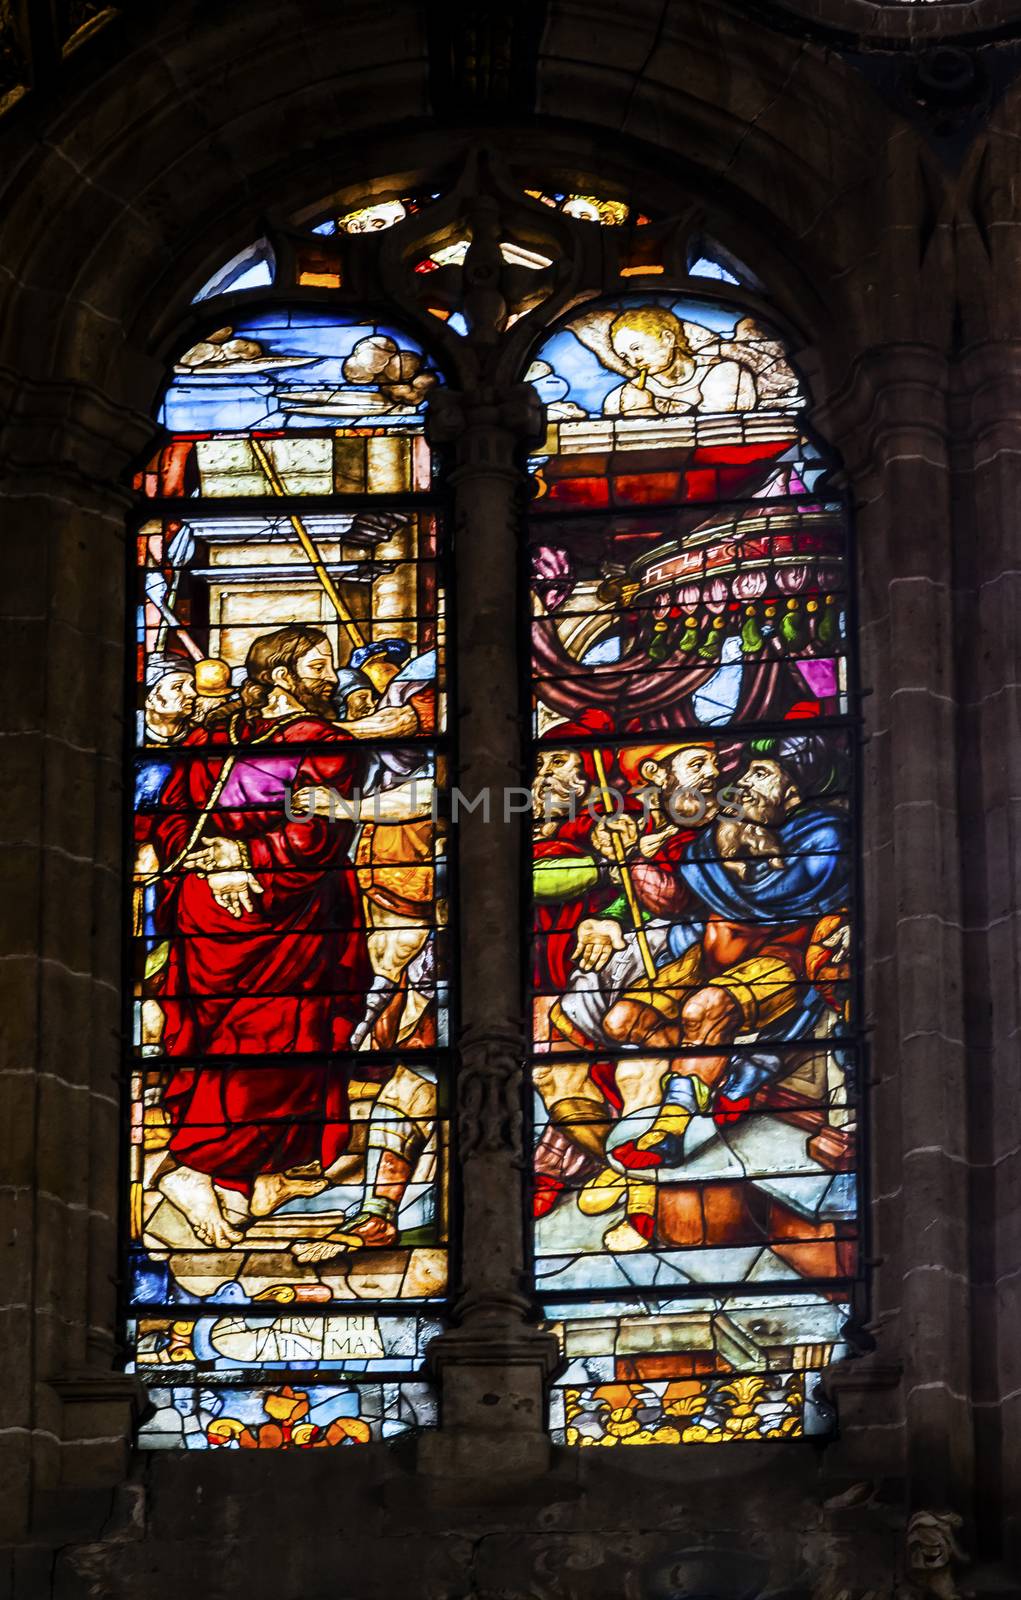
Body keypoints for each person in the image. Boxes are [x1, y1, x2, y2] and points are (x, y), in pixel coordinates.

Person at [147, 624, 372, 1251]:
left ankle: (234, 1180)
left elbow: (319, 829)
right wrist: (214, 860)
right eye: (322, 665)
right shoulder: (214, 737)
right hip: (219, 911)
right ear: (281, 674)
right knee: (239, 1035)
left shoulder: (330, 745)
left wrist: (244, 853)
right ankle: (197, 1168)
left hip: (291, 910)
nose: (333, 676)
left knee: (284, 1040)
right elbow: (170, 815)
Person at [605, 735, 850, 1207]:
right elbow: (678, 897)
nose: (745, 784)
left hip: (781, 959)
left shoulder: (824, 836)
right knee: (622, 1021)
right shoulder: (722, 832)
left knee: (705, 1009)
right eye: (748, 773)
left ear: (793, 794)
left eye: (761, 775)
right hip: (707, 953)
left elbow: (778, 893)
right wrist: (636, 856)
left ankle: (668, 1130)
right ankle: (719, 1078)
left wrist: (739, 850)